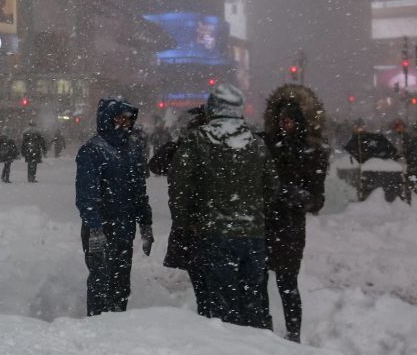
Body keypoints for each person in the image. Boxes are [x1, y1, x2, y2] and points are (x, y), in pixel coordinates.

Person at [169, 84, 278, 330]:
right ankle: (258, 350)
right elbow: (272, 188)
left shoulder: (197, 140)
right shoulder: (257, 143)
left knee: (220, 302)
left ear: (212, 108)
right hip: (253, 235)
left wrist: (187, 222)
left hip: (214, 232)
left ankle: (227, 352)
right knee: (252, 299)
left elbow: (179, 188)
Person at [75, 97, 153, 316]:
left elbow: (139, 190)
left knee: (121, 283)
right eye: (121, 118)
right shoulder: (93, 150)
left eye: (129, 119)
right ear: (108, 118)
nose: (126, 123)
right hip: (101, 227)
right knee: (101, 280)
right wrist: (95, 227)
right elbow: (86, 194)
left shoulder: (133, 149)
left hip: (124, 227)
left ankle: (117, 325)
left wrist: (145, 222)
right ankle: (98, 325)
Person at [263, 87, 329, 343]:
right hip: (266, 222)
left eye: (288, 120)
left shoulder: (312, 152)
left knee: (287, 283)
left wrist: (290, 194)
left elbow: (316, 200)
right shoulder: (267, 146)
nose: (283, 124)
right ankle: (264, 328)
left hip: (289, 227)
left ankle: (294, 334)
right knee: (258, 281)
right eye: (280, 120)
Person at [159, 106, 210, 315]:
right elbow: (157, 164)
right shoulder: (188, 148)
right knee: (206, 282)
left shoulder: (194, 149)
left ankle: (208, 317)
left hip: (196, 225)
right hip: (200, 226)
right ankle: (210, 318)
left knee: (204, 282)